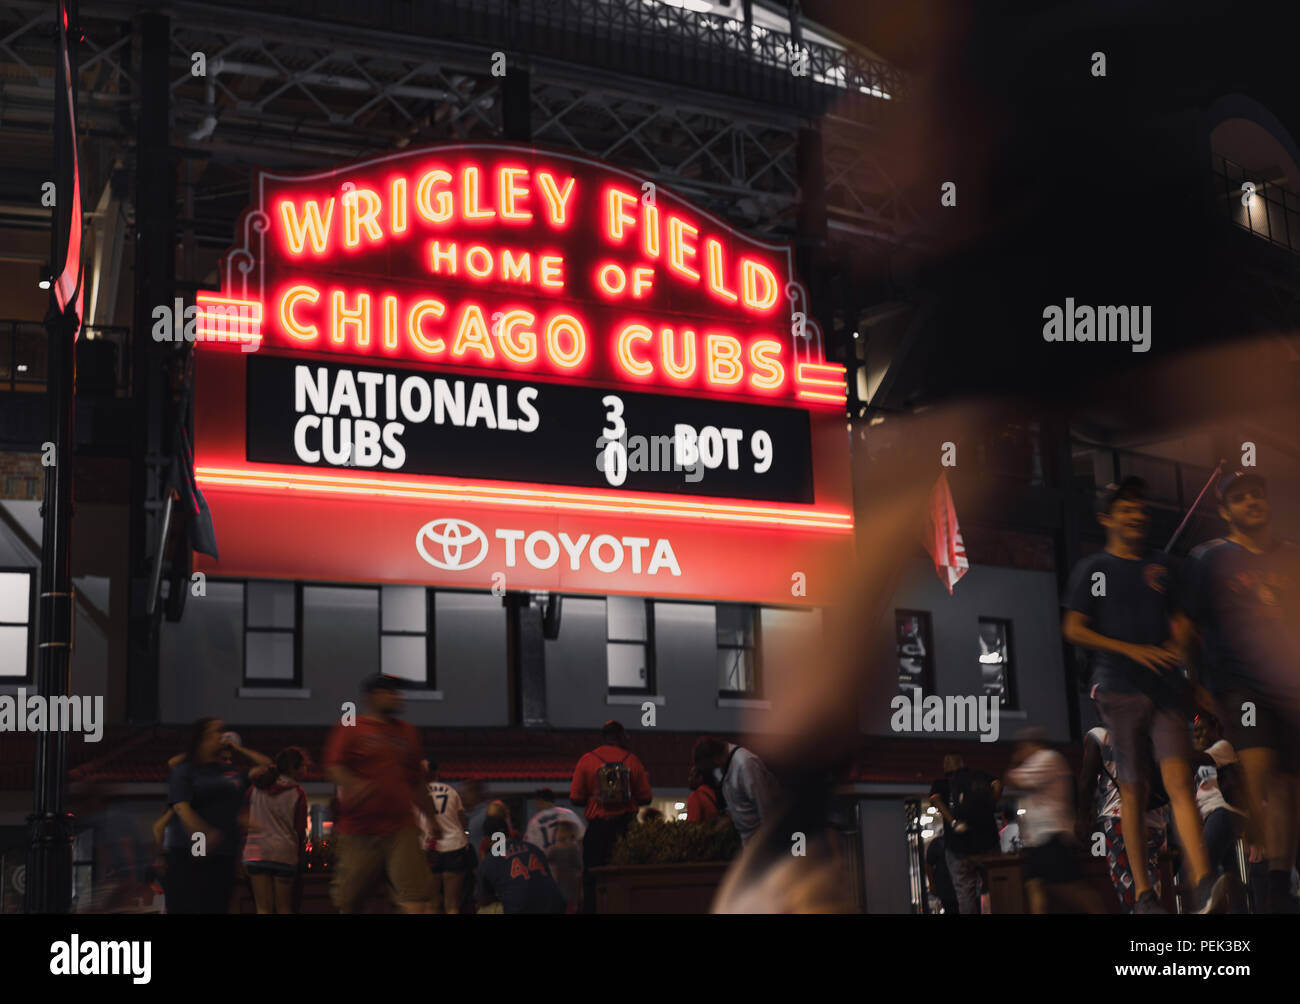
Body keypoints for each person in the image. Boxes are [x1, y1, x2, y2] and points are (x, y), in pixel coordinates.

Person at [1062, 477, 1223, 913]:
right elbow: (1074, 628)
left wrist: (1181, 648)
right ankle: (1144, 892)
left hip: (1168, 688)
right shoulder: (1094, 569)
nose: (1137, 515)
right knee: (1133, 789)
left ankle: (1203, 879)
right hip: (1118, 689)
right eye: (1126, 508)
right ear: (1107, 517)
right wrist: (1130, 649)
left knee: (1179, 783)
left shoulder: (1164, 567)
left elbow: (1182, 624)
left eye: (1140, 508)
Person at [1180, 470, 1300, 913]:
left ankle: (1278, 885)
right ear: (1225, 510)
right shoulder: (1208, 558)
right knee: (1261, 772)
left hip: (1289, 685)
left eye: (1257, 494)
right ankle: (1265, 868)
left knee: (1288, 785)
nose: (1252, 502)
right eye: (1241, 497)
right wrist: (1192, 682)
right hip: (1238, 684)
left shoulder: (1291, 556)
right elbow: (1185, 624)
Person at [323, 673, 439, 914]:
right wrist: (354, 783)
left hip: (401, 826)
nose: (398, 697)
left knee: (416, 895)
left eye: (398, 692)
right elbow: (333, 766)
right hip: (359, 829)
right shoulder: (351, 726)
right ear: (373, 697)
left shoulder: (408, 732)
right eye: (391, 692)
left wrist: (431, 817)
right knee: (349, 900)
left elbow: (416, 781)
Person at [164, 718, 272, 913]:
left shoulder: (231, 773)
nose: (222, 735)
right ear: (202, 738)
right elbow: (182, 808)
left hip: (225, 856)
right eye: (216, 732)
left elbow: (268, 767)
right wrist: (203, 837)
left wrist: (238, 749)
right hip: (192, 856)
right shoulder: (186, 771)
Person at [1006, 728, 1106, 914]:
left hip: (1052, 836)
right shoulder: (1045, 761)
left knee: (1073, 890)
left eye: (1023, 747)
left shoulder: (1047, 758)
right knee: (1036, 887)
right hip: (1041, 839)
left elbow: (1014, 780)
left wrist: (1016, 760)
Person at [1078, 719, 1168, 913]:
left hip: (1119, 818)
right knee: (1151, 882)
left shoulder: (1100, 736)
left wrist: (1081, 819)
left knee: (1130, 890)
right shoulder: (1148, 733)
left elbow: (1087, 782)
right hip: (1154, 819)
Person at [570, 720, 652, 913]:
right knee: (628, 875)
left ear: (604, 737)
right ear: (621, 737)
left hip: (598, 828)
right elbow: (646, 797)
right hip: (626, 828)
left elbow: (575, 798)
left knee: (592, 877)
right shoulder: (632, 760)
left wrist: (595, 799)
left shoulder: (587, 760)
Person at [927, 753, 1000, 914]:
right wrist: (991, 805)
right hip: (987, 844)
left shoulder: (942, 783)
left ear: (946, 768)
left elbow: (935, 799)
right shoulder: (980, 776)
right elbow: (997, 784)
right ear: (962, 764)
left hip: (958, 847)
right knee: (995, 888)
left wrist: (953, 822)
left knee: (965, 893)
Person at [1191, 714, 1248, 912]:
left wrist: (1174, 747)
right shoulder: (1201, 756)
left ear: (1216, 728)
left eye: (1202, 728)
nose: (1198, 733)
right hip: (1214, 815)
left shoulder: (1223, 747)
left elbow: (1200, 758)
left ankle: (1205, 907)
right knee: (1230, 873)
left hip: (1224, 811)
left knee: (1204, 864)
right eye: (1195, 730)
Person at [242, 747, 309, 914]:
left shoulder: (256, 788)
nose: (306, 770)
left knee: (263, 908)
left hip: (256, 852)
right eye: (304, 766)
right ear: (294, 769)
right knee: (284, 908)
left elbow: (245, 817)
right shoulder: (297, 793)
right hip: (284, 854)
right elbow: (300, 829)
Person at [475, 811, 567, 914]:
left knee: (485, 910)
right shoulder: (533, 848)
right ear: (509, 832)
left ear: (487, 839)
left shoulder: (489, 861)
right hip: (556, 907)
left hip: (522, 910)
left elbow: (483, 899)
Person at [692, 736, 779, 844]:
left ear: (716, 758)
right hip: (750, 841)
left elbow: (765, 807)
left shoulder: (746, 764)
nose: (712, 770)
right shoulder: (724, 767)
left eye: (711, 766)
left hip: (761, 841)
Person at [418, 758, 472, 915]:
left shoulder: (418, 793)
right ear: (437, 773)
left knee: (431, 904)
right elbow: (463, 822)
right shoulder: (451, 791)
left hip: (429, 849)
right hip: (454, 846)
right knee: (452, 904)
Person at [523, 787, 587, 852]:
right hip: (568, 858)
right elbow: (582, 838)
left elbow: (528, 847)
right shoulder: (568, 814)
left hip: (545, 859)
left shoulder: (535, 821)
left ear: (539, 801)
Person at [925, 834, 959, 914]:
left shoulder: (938, 843)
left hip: (948, 889)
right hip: (948, 890)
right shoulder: (938, 843)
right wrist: (932, 884)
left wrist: (932, 884)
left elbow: (928, 865)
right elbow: (928, 865)